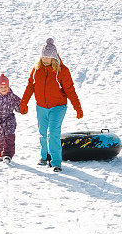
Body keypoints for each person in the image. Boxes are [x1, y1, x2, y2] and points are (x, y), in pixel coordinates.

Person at [20, 38, 83, 172]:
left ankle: (56, 162)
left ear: (54, 57)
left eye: (48, 57)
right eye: (43, 56)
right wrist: (24, 103)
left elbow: (70, 90)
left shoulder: (62, 71)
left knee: (53, 133)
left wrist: (78, 108)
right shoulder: (37, 69)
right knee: (43, 134)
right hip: (41, 107)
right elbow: (30, 86)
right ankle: (45, 156)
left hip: (58, 107)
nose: (45, 59)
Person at [0, 73, 22, 163]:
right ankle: (0, 152)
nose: (3, 89)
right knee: (0, 138)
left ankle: (7, 154)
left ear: (8, 87)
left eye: (5, 87)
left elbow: (19, 105)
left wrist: (22, 108)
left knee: (10, 136)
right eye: (1, 87)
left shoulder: (12, 97)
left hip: (9, 118)